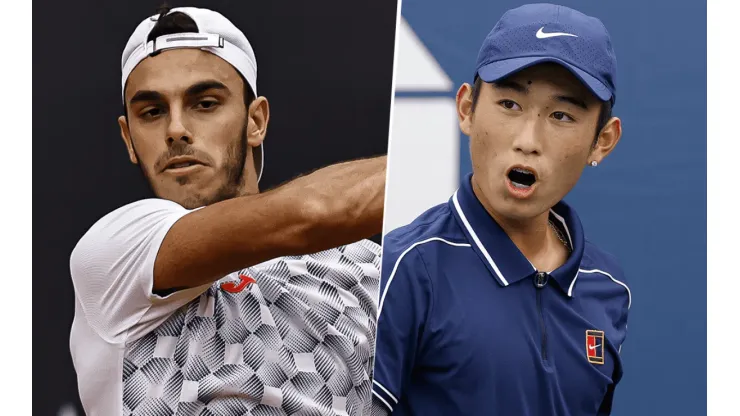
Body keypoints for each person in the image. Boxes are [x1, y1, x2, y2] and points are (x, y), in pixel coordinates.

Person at [69, 6, 386, 416]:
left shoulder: (368, 268)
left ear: (255, 121)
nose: (175, 129)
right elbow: (314, 211)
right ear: (129, 138)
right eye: (152, 112)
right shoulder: (113, 252)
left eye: (204, 103)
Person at [371, 4, 631, 416]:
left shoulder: (609, 286)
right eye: (510, 104)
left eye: (561, 115)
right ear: (466, 109)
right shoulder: (403, 269)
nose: (528, 139)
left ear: (602, 141)